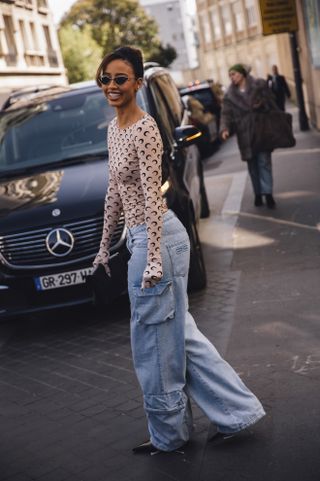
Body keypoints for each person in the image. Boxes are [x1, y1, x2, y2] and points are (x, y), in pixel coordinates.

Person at [93, 47, 265, 455]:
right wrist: (103, 247)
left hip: (159, 240)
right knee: (178, 337)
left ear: (137, 83)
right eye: (105, 79)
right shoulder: (114, 130)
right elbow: (114, 193)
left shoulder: (146, 128)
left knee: (153, 342)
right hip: (140, 239)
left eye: (120, 79)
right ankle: (236, 412)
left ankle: (169, 436)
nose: (112, 86)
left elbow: (153, 198)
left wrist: (152, 257)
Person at [221, 63, 278, 209]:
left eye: (234, 74)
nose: (231, 78)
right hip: (244, 133)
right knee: (252, 166)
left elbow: (271, 101)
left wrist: (262, 103)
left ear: (242, 74)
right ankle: (258, 193)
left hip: (261, 129)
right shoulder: (229, 95)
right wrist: (225, 128)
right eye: (230, 75)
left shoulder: (258, 86)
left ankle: (268, 193)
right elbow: (226, 114)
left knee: (264, 162)